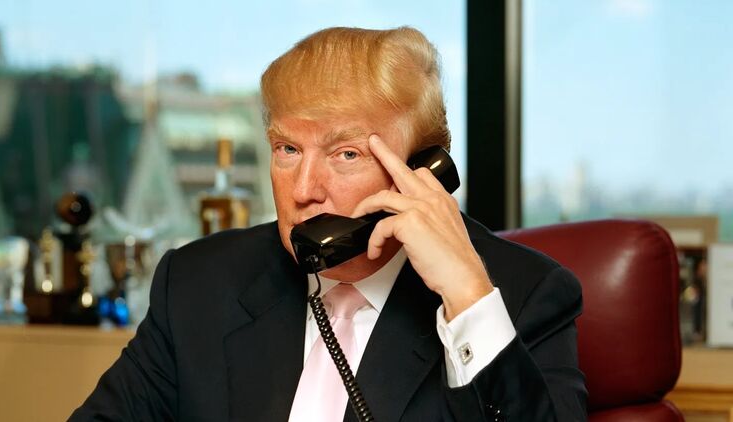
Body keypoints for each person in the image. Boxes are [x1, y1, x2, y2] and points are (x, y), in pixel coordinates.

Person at [70, 26, 587, 421]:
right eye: (288, 149)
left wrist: (465, 297)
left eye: (345, 154)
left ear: (421, 172)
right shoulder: (198, 284)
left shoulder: (524, 296)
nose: (303, 190)